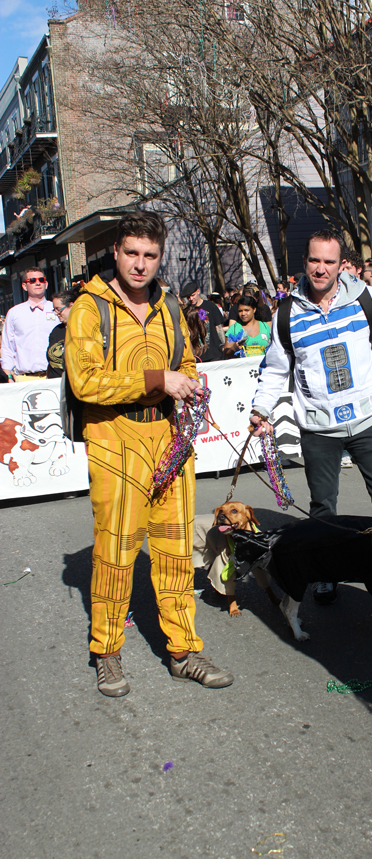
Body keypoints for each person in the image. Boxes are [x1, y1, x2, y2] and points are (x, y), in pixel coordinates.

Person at [65, 210, 233, 698]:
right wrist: (159, 380)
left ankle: (183, 652)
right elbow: (85, 381)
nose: (140, 265)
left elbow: (185, 363)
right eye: (132, 253)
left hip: (169, 438)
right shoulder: (88, 308)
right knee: (116, 551)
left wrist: (190, 384)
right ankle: (107, 652)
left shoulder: (169, 306)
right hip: (113, 438)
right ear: (115, 252)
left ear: (160, 258)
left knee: (177, 550)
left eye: (150, 256)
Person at [250, 228, 372, 604]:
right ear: (304, 262)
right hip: (319, 427)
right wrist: (261, 409)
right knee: (323, 509)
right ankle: (326, 571)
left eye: (329, 261)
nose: (321, 269)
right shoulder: (287, 312)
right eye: (314, 260)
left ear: (341, 264)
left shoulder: (366, 299)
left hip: (368, 420)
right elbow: (275, 369)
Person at [1, 267, 58, 381]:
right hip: (24, 379)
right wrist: (8, 375)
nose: (37, 283)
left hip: (54, 377)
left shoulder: (56, 310)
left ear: (46, 284)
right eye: (32, 280)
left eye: (41, 280)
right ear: (24, 286)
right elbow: (7, 347)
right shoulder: (14, 313)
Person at [180, 282, 225, 361]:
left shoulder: (210, 306)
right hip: (197, 355)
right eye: (188, 297)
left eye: (193, 295)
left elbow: (219, 328)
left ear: (198, 291)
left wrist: (223, 345)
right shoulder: (186, 312)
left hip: (214, 353)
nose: (191, 299)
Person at [46, 288, 79, 378]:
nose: (56, 313)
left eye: (58, 309)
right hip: (54, 384)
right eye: (54, 310)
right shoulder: (57, 331)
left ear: (71, 306)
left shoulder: (82, 329)